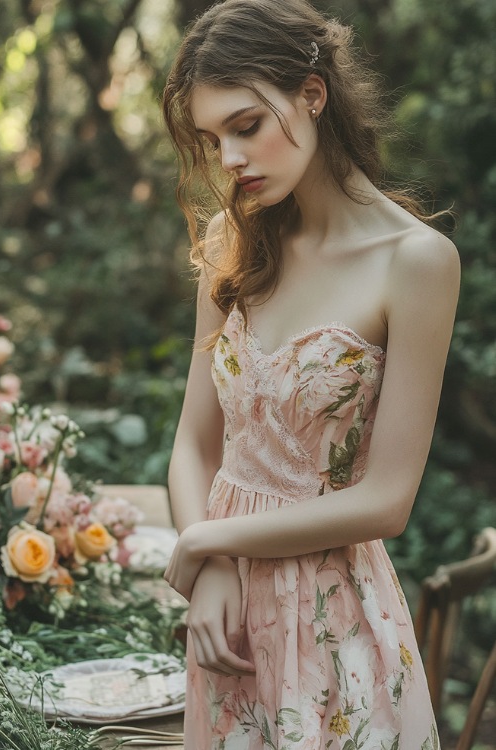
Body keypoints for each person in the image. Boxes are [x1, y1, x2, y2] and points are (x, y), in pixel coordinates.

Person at [162, 0, 460, 747]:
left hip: (335, 619)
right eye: (212, 138)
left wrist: (209, 544)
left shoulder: (416, 262)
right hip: (226, 629)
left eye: (246, 125)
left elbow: (388, 501)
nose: (229, 159)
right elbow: (194, 446)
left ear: (312, 94)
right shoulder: (234, 243)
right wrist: (209, 564)